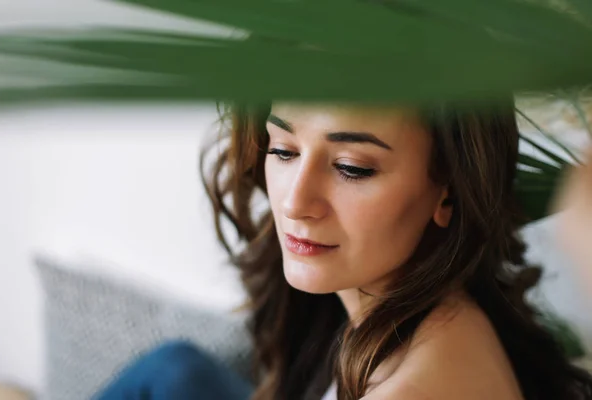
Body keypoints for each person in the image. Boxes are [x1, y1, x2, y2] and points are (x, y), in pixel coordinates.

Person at [95, 99, 592, 400]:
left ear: (449, 190)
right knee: (171, 371)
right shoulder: (430, 300)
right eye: (283, 150)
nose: (293, 202)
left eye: (352, 167)